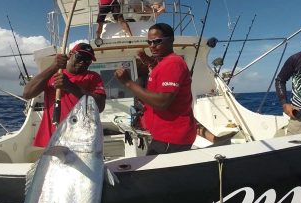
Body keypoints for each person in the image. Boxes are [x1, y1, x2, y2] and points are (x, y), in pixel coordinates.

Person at [114, 23, 197, 155]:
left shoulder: (173, 63)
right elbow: (160, 71)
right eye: (149, 42)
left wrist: (128, 82)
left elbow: (162, 102)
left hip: (171, 137)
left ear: (171, 40)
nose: (152, 45)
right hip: (165, 136)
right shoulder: (164, 62)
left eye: (157, 41)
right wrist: (149, 61)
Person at [23, 43, 106, 147]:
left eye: (88, 60)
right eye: (79, 57)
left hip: (79, 141)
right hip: (52, 140)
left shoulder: (93, 77)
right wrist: (54, 66)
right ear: (70, 55)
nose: (83, 62)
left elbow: (100, 106)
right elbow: (27, 93)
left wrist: (70, 86)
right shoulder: (54, 74)